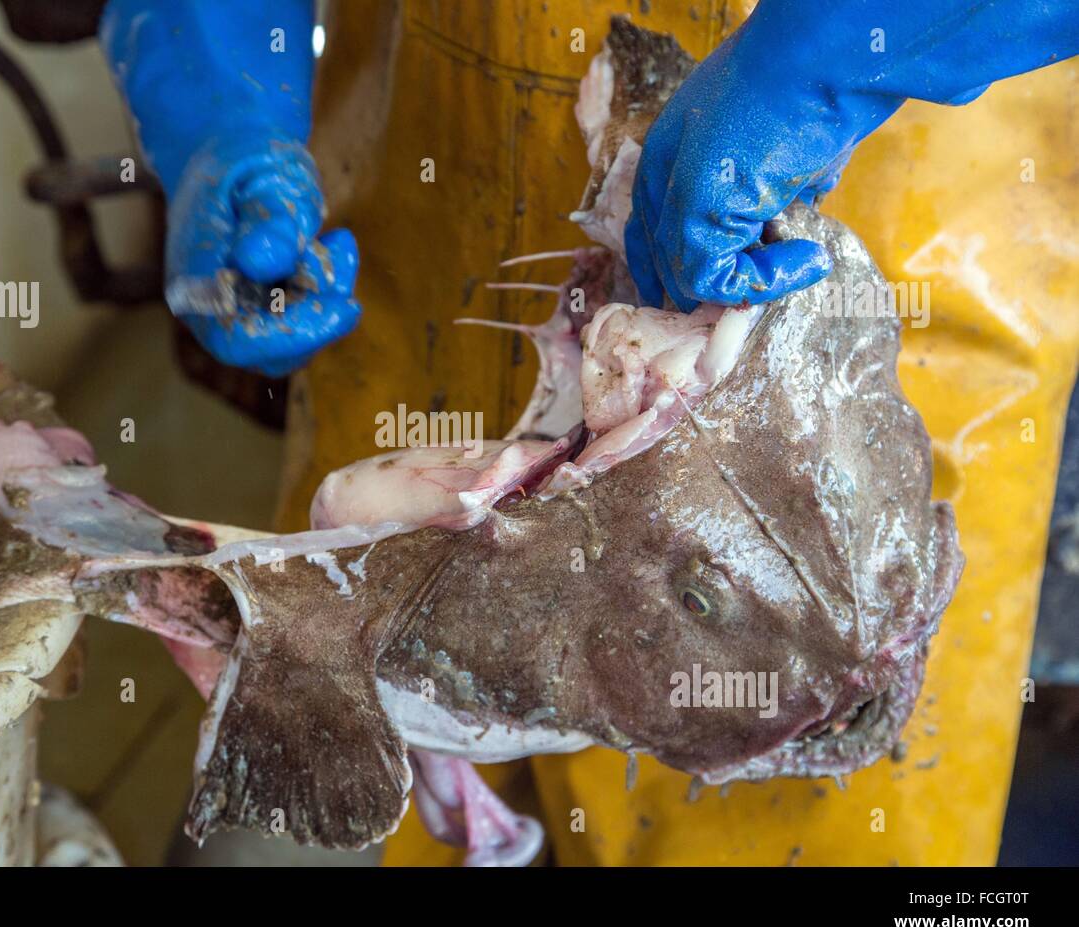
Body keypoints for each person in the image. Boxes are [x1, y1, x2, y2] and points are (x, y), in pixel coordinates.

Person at [101, 0, 1079, 864]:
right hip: (432, 191)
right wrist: (220, 105)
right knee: (356, 687)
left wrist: (852, 40)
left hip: (912, 182)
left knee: (815, 749)